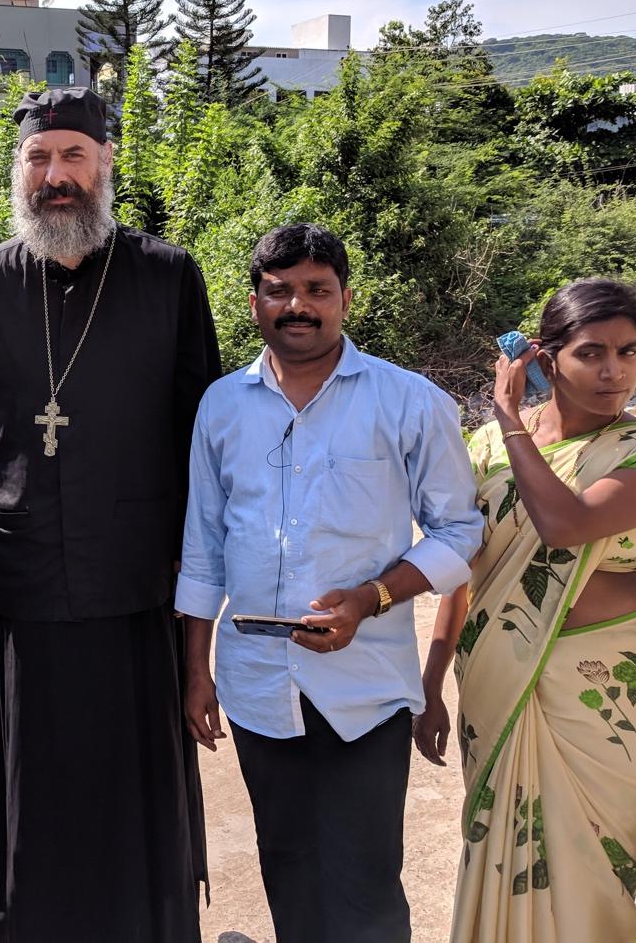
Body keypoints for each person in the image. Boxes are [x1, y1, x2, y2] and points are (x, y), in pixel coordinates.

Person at [0, 87, 219, 942]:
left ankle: (146, 921)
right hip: (19, 575)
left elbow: (202, 427)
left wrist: (199, 565)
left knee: (134, 773)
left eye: (72, 157)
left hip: (136, 572)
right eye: (38, 158)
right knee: (30, 767)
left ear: (104, 166)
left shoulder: (167, 275)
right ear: (18, 172)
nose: (55, 175)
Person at [175, 223, 482, 943]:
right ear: (253, 304)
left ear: (345, 298)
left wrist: (371, 597)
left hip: (363, 682)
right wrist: (195, 670)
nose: (297, 306)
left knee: (365, 874)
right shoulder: (221, 406)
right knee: (286, 860)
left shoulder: (407, 401)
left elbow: (458, 532)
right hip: (255, 683)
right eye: (278, 292)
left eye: (316, 290)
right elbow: (202, 545)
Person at [417, 278, 636, 942]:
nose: (612, 370)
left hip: (607, 702)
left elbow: (563, 524)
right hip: (496, 682)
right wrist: (430, 679)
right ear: (545, 357)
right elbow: (464, 572)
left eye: (628, 352)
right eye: (590, 352)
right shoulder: (482, 454)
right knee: (507, 854)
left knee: (591, 872)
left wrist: (508, 420)